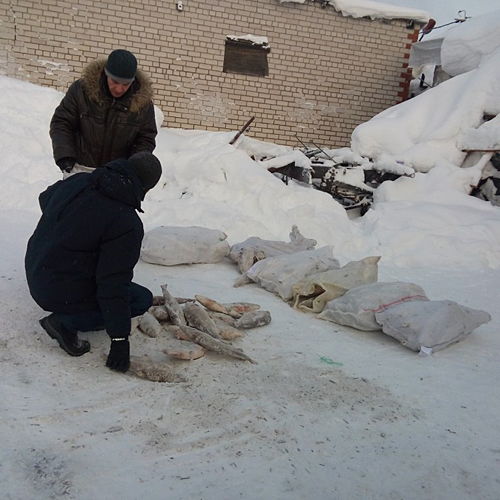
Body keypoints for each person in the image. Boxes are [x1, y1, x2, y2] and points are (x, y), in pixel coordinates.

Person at [25, 152, 162, 373]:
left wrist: (72, 227)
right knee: (140, 299)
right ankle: (65, 322)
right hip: (56, 288)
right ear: (146, 187)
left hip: (37, 268)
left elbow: (45, 198)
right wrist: (119, 339)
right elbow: (113, 282)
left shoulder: (79, 181)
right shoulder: (125, 222)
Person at [50, 49, 157, 174]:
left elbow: (145, 139)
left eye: (126, 84)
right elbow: (62, 122)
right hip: (79, 169)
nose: (119, 89)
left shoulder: (143, 104)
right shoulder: (81, 91)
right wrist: (65, 155)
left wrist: (132, 168)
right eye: (115, 81)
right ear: (106, 74)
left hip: (117, 174)